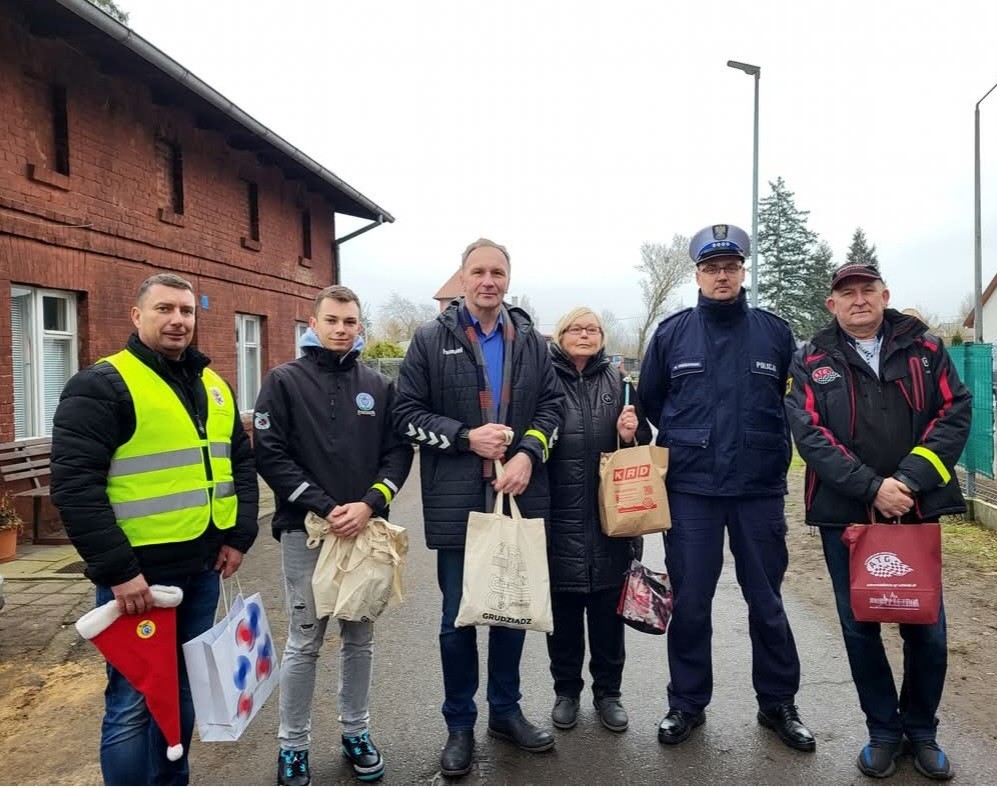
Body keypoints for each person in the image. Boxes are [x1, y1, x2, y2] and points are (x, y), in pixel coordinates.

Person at [50, 273, 259, 786]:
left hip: (201, 568)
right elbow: (76, 489)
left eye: (186, 311)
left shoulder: (214, 385)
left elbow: (240, 465)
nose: (178, 320)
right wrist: (120, 574)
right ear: (136, 315)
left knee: (184, 688)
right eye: (165, 309)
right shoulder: (102, 385)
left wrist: (237, 537)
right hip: (137, 580)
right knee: (131, 699)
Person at [785, 263, 971, 780]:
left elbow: (954, 412)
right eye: (848, 293)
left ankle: (922, 732)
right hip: (845, 515)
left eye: (868, 290)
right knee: (861, 626)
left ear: (885, 295)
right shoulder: (811, 360)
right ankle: (883, 732)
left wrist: (907, 482)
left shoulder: (926, 349)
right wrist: (872, 488)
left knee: (926, 627)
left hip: (915, 509)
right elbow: (810, 434)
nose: (859, 300)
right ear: (832, 305)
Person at [637, 223, 815, 752]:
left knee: (767, 602)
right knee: (691, 601)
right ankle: (686, 704)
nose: (722, 276)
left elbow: (795, 399)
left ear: (742, 272)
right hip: (691, 489)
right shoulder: (671, 334)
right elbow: (651, 401)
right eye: (712, 268)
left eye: (731, 267)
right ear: (697, 274)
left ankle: (778, 703)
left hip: (758, 487)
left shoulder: (774, 333)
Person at [393, 238, 564, 777]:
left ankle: (505, 712)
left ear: (507, 280)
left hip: (518, 494)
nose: (488, 281)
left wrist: (528, 454)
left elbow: (553, 407)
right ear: (462, 279)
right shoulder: (428, 340)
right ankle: (460, 724)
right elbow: (404, 414)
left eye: (497, 272)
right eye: (478, 272)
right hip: (456, 501)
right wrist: (467, 437)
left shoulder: (532, 341)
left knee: (512, 610)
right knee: (456, 619)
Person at [253, 285, 413, 785]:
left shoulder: (378, 386)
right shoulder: (283, 381)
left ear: (360, 326)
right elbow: (270, 453)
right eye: (333, 320)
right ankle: (293, 745)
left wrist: (370, 503)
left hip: (365, 531)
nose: (342, 328)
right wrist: (324, 506)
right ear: (314, 323)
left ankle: (355, 733)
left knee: (360, 638)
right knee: (305, 640)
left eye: (350, 321)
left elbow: (398, 453)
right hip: (309, 532)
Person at [545, 307, 651, 734]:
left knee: (609, 617)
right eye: (575, 328)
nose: (585, 334)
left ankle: (609, 694)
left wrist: (631, 435)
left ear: (603, 336)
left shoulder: (620, 383)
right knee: (564, 615)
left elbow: (641, 448)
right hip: (559, 516)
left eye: (593, 329)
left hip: (611, 520)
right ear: (560, 333)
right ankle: (566, 691)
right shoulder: (543, 380)